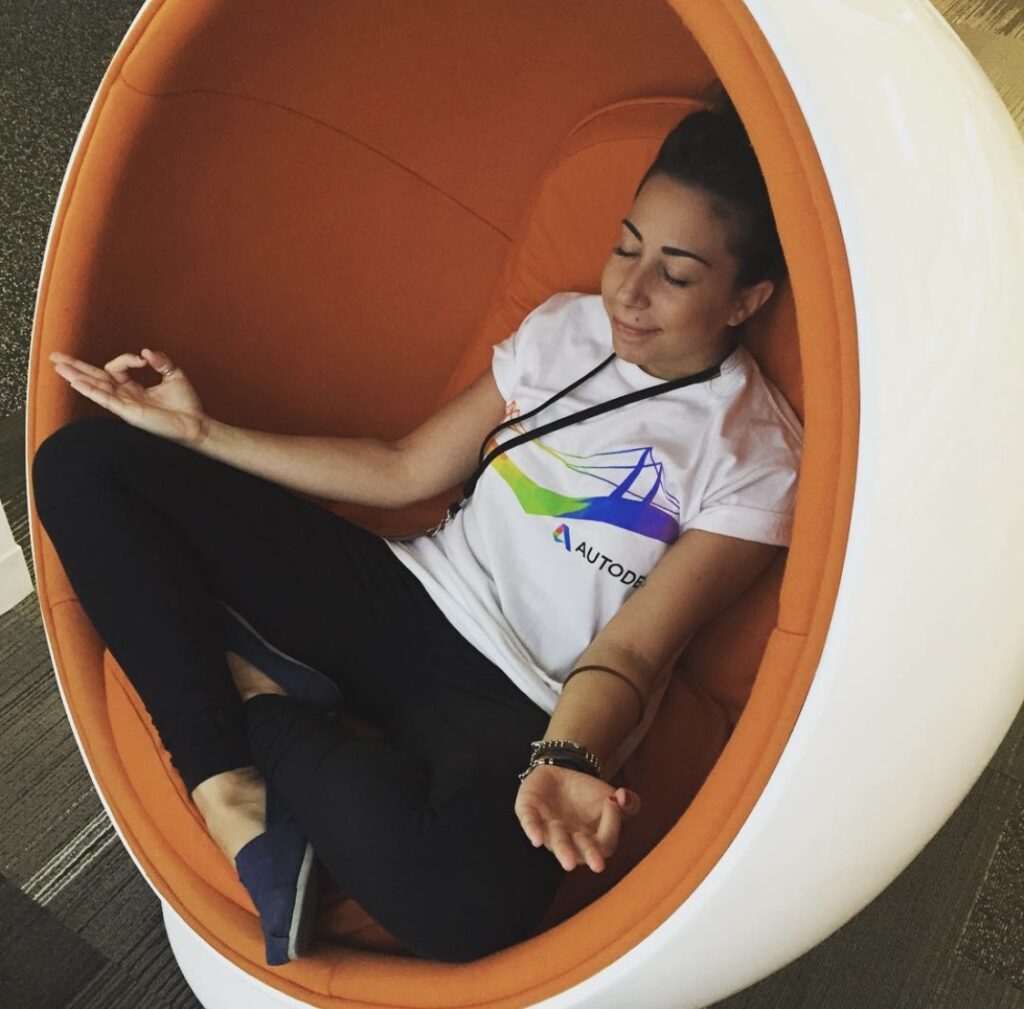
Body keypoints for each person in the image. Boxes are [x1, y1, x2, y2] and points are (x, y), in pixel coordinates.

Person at [31, 101, 802, 967]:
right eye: (626, 245)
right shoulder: (564, 328)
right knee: (83, 463)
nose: (629, 289)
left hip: (515, 698)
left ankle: (260, 700)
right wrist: (202, 435)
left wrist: (567, 754)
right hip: (401, 595)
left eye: (678, 273)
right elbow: (403, 467)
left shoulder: (758, 455)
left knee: (464, 910)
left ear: (748, 297)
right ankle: (227, 782)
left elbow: (632, 653)